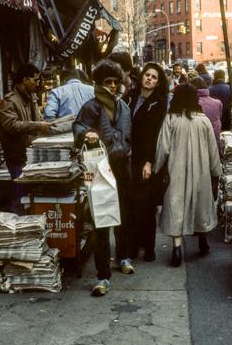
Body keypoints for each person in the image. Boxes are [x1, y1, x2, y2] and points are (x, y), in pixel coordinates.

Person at [73, 59, 134, 297]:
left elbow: (131, 136)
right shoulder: (90, 107)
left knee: (124, 216)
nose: (111, 86)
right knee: (101, 220)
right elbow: (77, 127)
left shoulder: (125, 107)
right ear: (98, 83)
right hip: (99, 167)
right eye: (107, 81)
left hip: (122, 166)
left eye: (114, 81)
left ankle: (123, 256)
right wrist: (85, 133)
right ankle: (102, 276)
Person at [154, 84, 223, 267]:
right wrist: (216, 172)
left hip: (175, 170)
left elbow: (163, 148)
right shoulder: (204, 120)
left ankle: (176, 248)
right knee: (201, 205)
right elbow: (213, 150)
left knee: (175, 207)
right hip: (201, 171)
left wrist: (156, 168)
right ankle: (202, 240)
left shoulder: (171, 119)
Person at [128, 62, 169, 261]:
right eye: (147, 75)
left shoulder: (159, 103)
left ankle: (149, 248)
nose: (149, 79)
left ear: (157, 82)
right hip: (129, 156)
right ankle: (134, 245)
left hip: (146, 159)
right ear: (142, 76)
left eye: (153, 77)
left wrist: (149, 162)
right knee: (133, 205)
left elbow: (155, 135)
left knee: (147, 205)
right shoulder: (131, 97)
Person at [0, 64, 53, 212]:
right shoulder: (9, 101)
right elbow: (10, 125)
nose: (37, 83)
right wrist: (37, 125)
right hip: (18, 158)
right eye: (35, 80)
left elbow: (37, 120)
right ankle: (16, 227)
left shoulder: (30, 98)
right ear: (25, 80)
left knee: (29, 197)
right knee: (20, 198)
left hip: (30, 156)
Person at [189, 77, 222, 150]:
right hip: (214, 139)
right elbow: (219, 117)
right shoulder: (218, 103)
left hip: (197, 142)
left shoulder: (191, 104)